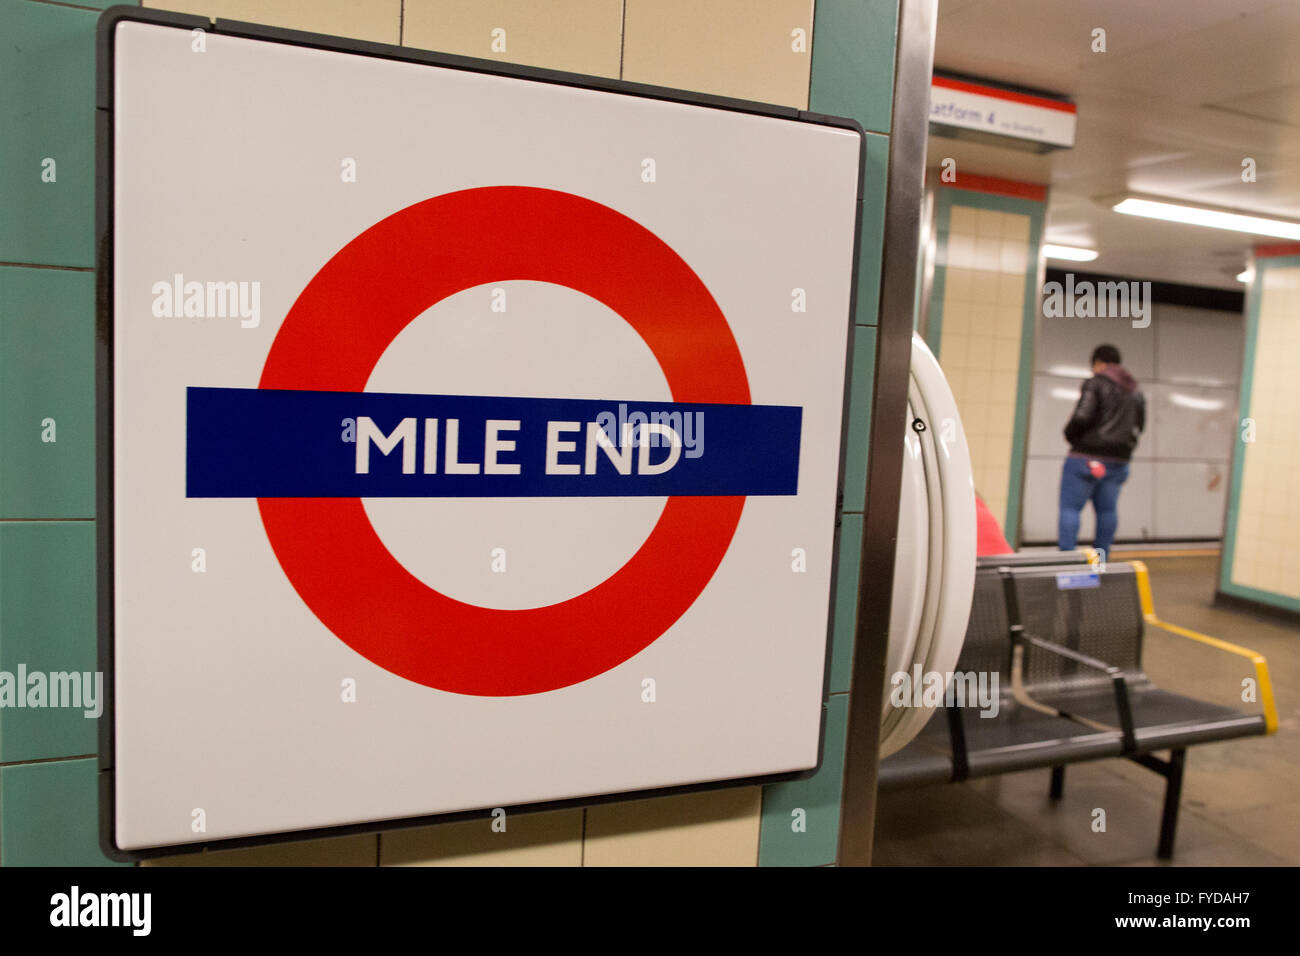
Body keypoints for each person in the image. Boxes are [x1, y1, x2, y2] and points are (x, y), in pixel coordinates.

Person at [1058, 344, 1145, 559]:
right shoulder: (1135, 390)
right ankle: (1101, 562)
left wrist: (1070, 435)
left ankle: (1066, 561)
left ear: (1099, 363)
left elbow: (1082, 416)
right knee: (1107, 511)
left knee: (1070, 509)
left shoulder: (1095, 383)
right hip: (1118, 461)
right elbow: (1139, 426)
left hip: (1086, 458)